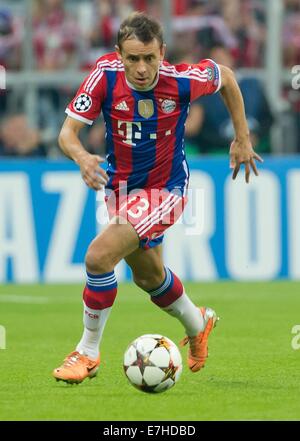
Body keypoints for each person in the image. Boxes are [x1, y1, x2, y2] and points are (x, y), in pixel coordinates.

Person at [53, 12, 263, 384]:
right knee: (149, 278)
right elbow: (67, 133)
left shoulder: (181, 81)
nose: (141, 68)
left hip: (166, 190)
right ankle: (199, 323)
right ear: (119, 55)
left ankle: (86, 353)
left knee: (99, 257)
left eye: (149, 58)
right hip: (119, 190)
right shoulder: (104, 76)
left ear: (162, 52)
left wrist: (242, 138)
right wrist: (82, 157)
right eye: (132, 59)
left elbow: (227, 77)